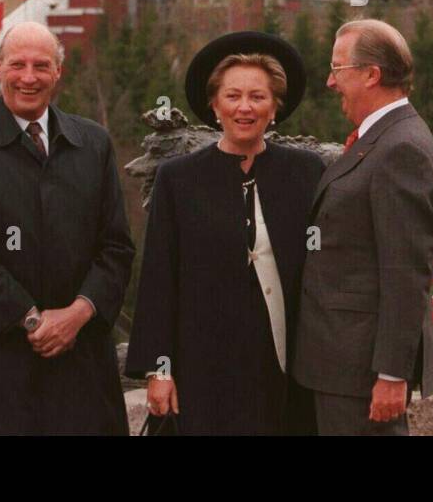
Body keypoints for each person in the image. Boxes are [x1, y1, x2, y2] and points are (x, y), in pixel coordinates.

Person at [0, 21, 134, 434]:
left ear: (58, 72)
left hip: (83, 365)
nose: (29, 77)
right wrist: (32, 321)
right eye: (17, 65)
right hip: (1, 366)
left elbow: (116, 247)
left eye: (41, 66)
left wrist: (77, 315)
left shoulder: (92, 142)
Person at [125, 31, 324, 434]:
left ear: (275, 107)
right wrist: (158, 370)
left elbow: (325, 270)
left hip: (288, 373)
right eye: (233, 96)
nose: (244, 108)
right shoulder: (178, 179)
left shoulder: (307, 173)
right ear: (214, 105)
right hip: (204, 374)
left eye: (258, 96)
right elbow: (159, 278)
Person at [292, 19, 433, 436]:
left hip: (360, 373)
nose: (329, 81)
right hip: (340, 368)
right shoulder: (379, 139)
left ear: (371, 74)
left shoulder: (401, 149)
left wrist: (393, 373)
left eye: (338, 69)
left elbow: (406, 270)